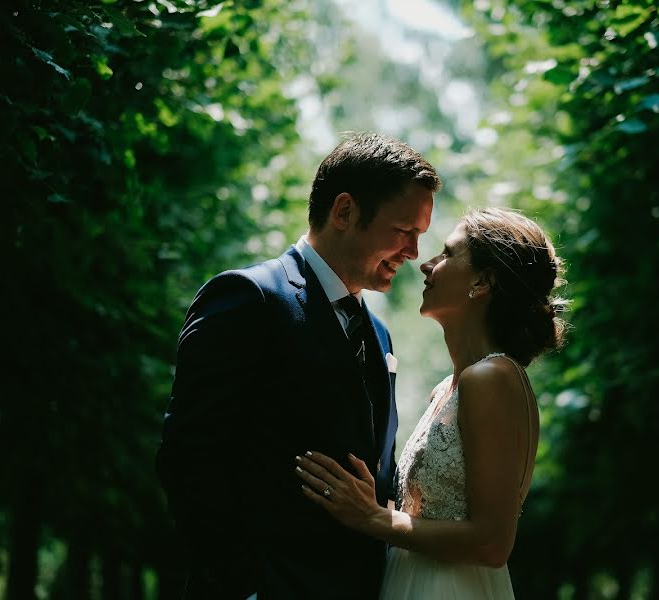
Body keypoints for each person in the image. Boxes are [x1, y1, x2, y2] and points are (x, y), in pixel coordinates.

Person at [156, 132, 441, 599]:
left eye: (419, 237)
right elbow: (189, 456)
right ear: (345, 211)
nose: (412, 253)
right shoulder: (248, 299)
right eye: (403, 231)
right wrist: (240, 585)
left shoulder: (381, 335)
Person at [295, 207, 566, 599]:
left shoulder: (491, 379)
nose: (426, 265)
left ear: (483, 281)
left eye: (447, 254)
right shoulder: (451, 387)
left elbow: (492, 543)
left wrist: (373, 517)